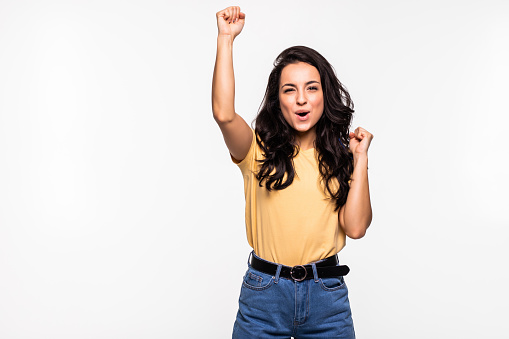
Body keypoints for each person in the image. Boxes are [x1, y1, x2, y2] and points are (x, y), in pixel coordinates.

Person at [212, 6, 373, 339]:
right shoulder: (256, 150)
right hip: (264, 296)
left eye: (311, 88)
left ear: (324, 95)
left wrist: (359, 159)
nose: (302, 99)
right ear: (278, 99)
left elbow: (355, 228)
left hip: (327, 296)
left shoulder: (340, 155)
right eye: (290, 90)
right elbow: (224, 115)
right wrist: (226, 39)